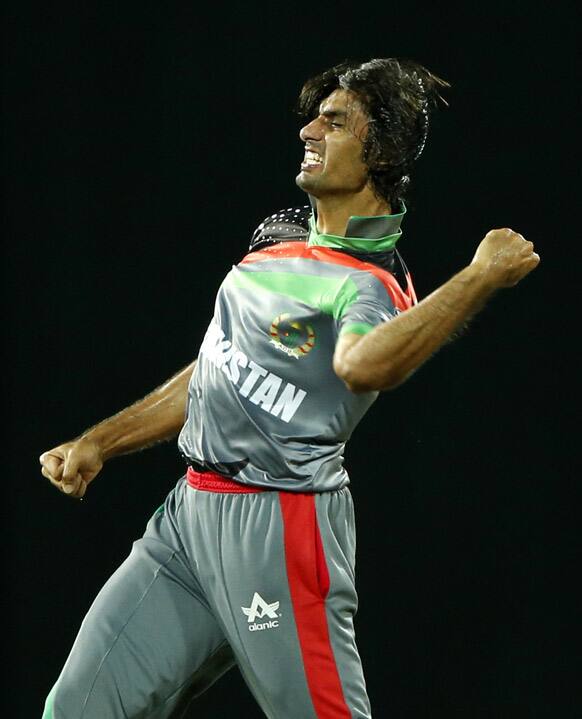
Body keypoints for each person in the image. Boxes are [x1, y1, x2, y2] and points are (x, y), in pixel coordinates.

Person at [40, 57, 540, 719]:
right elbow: (215, 366)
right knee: (78, 706)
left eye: (333, 123)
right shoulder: (277, 237)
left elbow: (364, 367)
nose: (308, 129)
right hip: (186, 522)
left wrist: (478, 277)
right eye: (314, 116)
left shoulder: (373, 281)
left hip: (279, 530)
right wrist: (99, 441)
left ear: (380, 151)